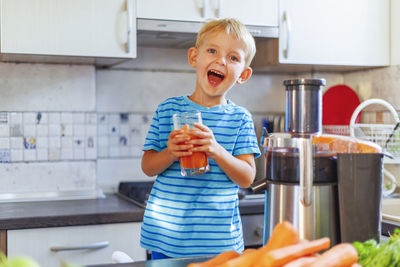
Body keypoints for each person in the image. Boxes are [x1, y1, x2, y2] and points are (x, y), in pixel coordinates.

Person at [140, 18, 261, 260]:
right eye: (212, 50)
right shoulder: (168, 110)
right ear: (194, 57)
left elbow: (247, 177)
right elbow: (148, 167)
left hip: (220, 243)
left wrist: (216, 150)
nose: (221, 60)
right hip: (167, 238)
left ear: (243, 75)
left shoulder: (240, 119)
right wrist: (171, 153)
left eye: (233, 58)